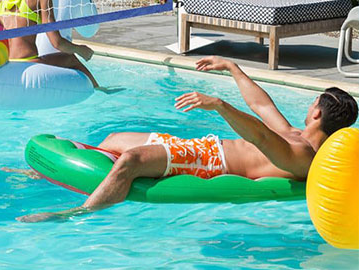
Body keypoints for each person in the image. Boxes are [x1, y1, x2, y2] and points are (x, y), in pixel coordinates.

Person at [18, 56, 358, 222]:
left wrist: (219, 105)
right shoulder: (298, 137)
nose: (308, 105)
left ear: (317, 114)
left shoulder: (303, 155)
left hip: (210, 162)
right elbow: (262, 105)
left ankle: (76, 213)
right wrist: (233, 69)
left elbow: (258, 134)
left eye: (312, 103)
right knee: (114, 139)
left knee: (130, 160)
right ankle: (53, 173)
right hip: (202, 148)